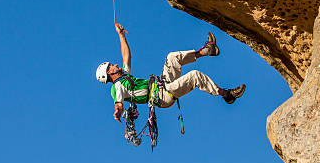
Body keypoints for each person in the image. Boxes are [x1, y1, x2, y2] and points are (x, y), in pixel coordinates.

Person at [96, 24, 246, 123]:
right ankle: (227, 94)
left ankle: (207, 50)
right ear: (109, 72)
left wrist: (121, 35)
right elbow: (119, 103)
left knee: (172, 57)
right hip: (161, 96)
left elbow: (126, 56)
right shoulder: (116, 88)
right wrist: (118, 111)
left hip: (161, 85)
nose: (115, 64)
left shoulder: (125, 77)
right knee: (195, 76)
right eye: (111, 65)